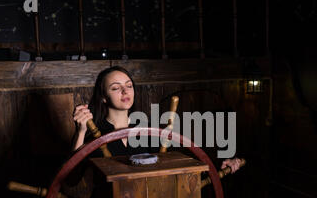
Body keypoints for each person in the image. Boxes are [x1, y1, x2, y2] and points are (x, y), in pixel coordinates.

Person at [72, 66, 241, 172]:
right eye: (116, 88)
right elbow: (71, 179)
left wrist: (220, 162)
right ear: (103, 97)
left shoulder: (148, 129)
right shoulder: (95, 132)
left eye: (129, 86)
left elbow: (184, 158)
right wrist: (80, 132)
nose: (125, 91)